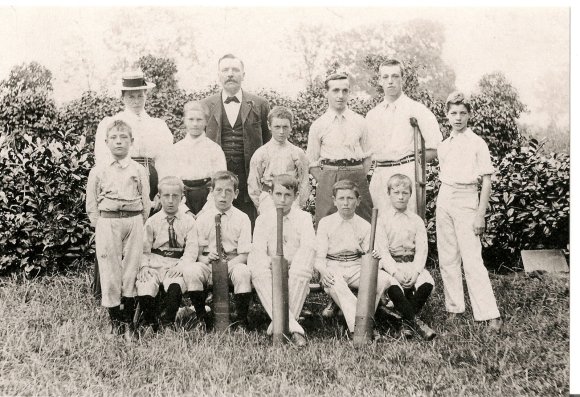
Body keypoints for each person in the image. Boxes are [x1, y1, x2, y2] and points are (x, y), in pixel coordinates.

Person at [436, 91, 502, 333]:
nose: (458, 118)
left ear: (469, 115)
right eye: (453, 113)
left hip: (467, 198)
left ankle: (490, 315)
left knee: (472, 259)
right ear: (446, 115)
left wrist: (480, 214)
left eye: (463, 113)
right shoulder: (444, 145)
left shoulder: (477, 143)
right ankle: (454, 309)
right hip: (445, 197)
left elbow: (486, 180)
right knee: (447, 257)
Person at [86, 119, 151, 341]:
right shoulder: (98, 171)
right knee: (109, 270)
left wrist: (137, 223)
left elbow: (146, 202)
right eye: (114, 138)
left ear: (131, 141)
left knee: (131, 269)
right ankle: (114, 322)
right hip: (108, 222)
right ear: (106, 142)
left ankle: (129, 324)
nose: (119, 142)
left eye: (124, 137)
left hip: (133, 221)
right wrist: (102, 226)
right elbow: (92, 206)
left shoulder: (138, 169)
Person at [365, 59, 442, 214]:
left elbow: (436, 147)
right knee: (379, 226)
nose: (390, 81)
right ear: (380, 81)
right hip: (380, 175)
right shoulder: (372, 115)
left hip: (406, 173)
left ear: (403, 79)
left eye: (395, 76)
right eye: (385, 77)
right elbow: (366, 153)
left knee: (407, 225)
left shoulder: (417, 109)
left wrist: (413, 164)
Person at [202, 54, 271, 226]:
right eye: (225, 70)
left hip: (249, 178)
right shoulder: (205, 105)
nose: (230, 74)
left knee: (251, 226)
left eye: (235, 70)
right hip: (217, 179)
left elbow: (268, 144)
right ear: (219, 75)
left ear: (243, 75)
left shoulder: (260, 104)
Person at [315, 179, 389, 338]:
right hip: (333, 266)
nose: (346, 203)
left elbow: (373, 253)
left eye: (350, 198)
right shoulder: (326, 223)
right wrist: (323, 271)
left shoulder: (364, 225)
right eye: (341, 198)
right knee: (335, 282)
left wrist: (374, 255)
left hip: (356, 266)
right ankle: (361, 327)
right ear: (334, 201)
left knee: (383, 280)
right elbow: (318, 258)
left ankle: (364, 320)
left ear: (358, 201)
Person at [248, 174, 315, 347]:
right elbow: (258, 249)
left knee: (302, 267)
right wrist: (271, 263)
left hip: (295, 267)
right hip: (271, 268)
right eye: (278, 194)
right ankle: (295, 328)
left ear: (294, 196)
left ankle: (277, 326)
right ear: (271, 194)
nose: (282, 200)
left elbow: (308, 247)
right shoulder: (263, 219)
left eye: (287, 195)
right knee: (257, 268)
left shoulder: (304, 218)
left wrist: (291, 264)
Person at [182, 171, 253, 329]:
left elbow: (244, 254)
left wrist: (226, 266)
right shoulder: (203, 218)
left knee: (243, 272)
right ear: (211, 192)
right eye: (219, 190)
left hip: (232, 263)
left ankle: (242, 321)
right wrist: (205, 259)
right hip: (209, 263)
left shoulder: (242, 218)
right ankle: (202, 318)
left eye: (228, 191)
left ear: (236, 194)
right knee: (192, 271)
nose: (223, 196)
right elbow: (198, 254)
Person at [94, 69, 173, 200]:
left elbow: (165, 160)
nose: (136, 101)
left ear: (146, 95)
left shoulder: (158, 125)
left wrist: (162, 190)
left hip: (153, 180)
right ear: (122, 98)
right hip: (123, 179)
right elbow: (103, 159)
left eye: (140, 96)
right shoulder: (112, 124)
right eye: (131, 97)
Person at [306, 73, 373, 227]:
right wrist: (326, 179)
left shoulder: (360, 121)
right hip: (330, 176)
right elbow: (312, 162)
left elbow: (368, 156)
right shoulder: (318, 125)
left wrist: (357, 174)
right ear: (326, 93)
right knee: (326, 221)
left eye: (345, 91)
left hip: (356, 175)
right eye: (335, 90)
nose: (340, 95)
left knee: (363, 220)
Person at [374, 174, 436, 340]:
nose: (400, 197)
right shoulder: (382, 220)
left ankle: (404, 322)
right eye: (396, 193)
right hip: (392, 266)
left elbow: (422, 249)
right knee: (392, 285)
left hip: (411, 264)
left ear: (410, 194)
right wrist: (395, 272)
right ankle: (417, 323)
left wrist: (416, 272)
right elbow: (383, 252)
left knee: (427, 283)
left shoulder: (416, 220)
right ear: (389, 194)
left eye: (405, 193)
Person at [136, 176, 198, 331]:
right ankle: (151, 321)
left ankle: (168, 321)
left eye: (175, 196)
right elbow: (143, 249)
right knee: (145, 284)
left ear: (182, 198)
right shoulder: (152, 221)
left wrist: (183, 265)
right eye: (166, 196)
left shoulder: (189, 222)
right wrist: (143, 266)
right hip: (155, 262)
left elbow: (191, 249)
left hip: (176, 263)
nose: (170, 201)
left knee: (176, 284)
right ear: (159, 197)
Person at [157, 101, 227, 216]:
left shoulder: (215, 149)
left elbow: (220, 183)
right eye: (191, 119)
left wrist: (206, 209)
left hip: (208, 201)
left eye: (199, 120)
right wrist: (184, 209)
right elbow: (168, 183)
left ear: (206, 121)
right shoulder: (175, 149)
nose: (195, 124)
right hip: (181, 200)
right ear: (184, 120)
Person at [248, 106, 310, 215]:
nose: (281, 131)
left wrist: (297, 204)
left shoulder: (298, 153)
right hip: (268, 199)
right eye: (277, 126)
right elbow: (253, 183)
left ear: (291, 127)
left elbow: (304, 181)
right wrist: (261, 204)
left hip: (291, 199)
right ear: (269, 126)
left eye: (285, 127)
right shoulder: (261, 153)